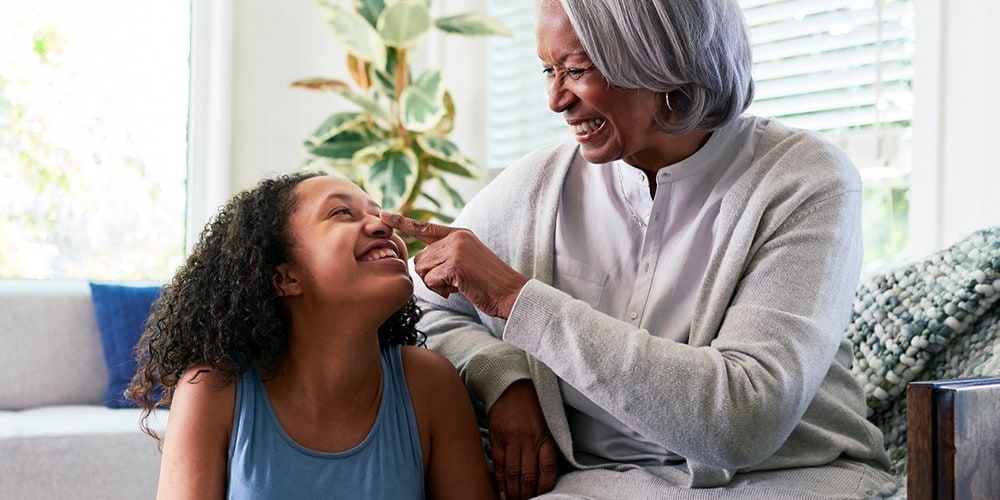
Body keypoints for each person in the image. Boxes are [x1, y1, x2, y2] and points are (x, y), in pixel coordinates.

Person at [380, 0, 899, 498]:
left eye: (577, 69)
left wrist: (518, 300)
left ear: (662, 62)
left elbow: (745, 419)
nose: (556, 100)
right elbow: (424, 306)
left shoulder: (802, 179)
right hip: (593, 483)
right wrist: (501, 373)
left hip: (791, 479)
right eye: (548, 71)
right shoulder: (536, 188)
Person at [128, 172, 494, 499]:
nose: (383, 226)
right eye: (341, 213)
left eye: (377, 213)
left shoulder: (429, 385)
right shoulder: (212, 390)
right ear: (284, 278)